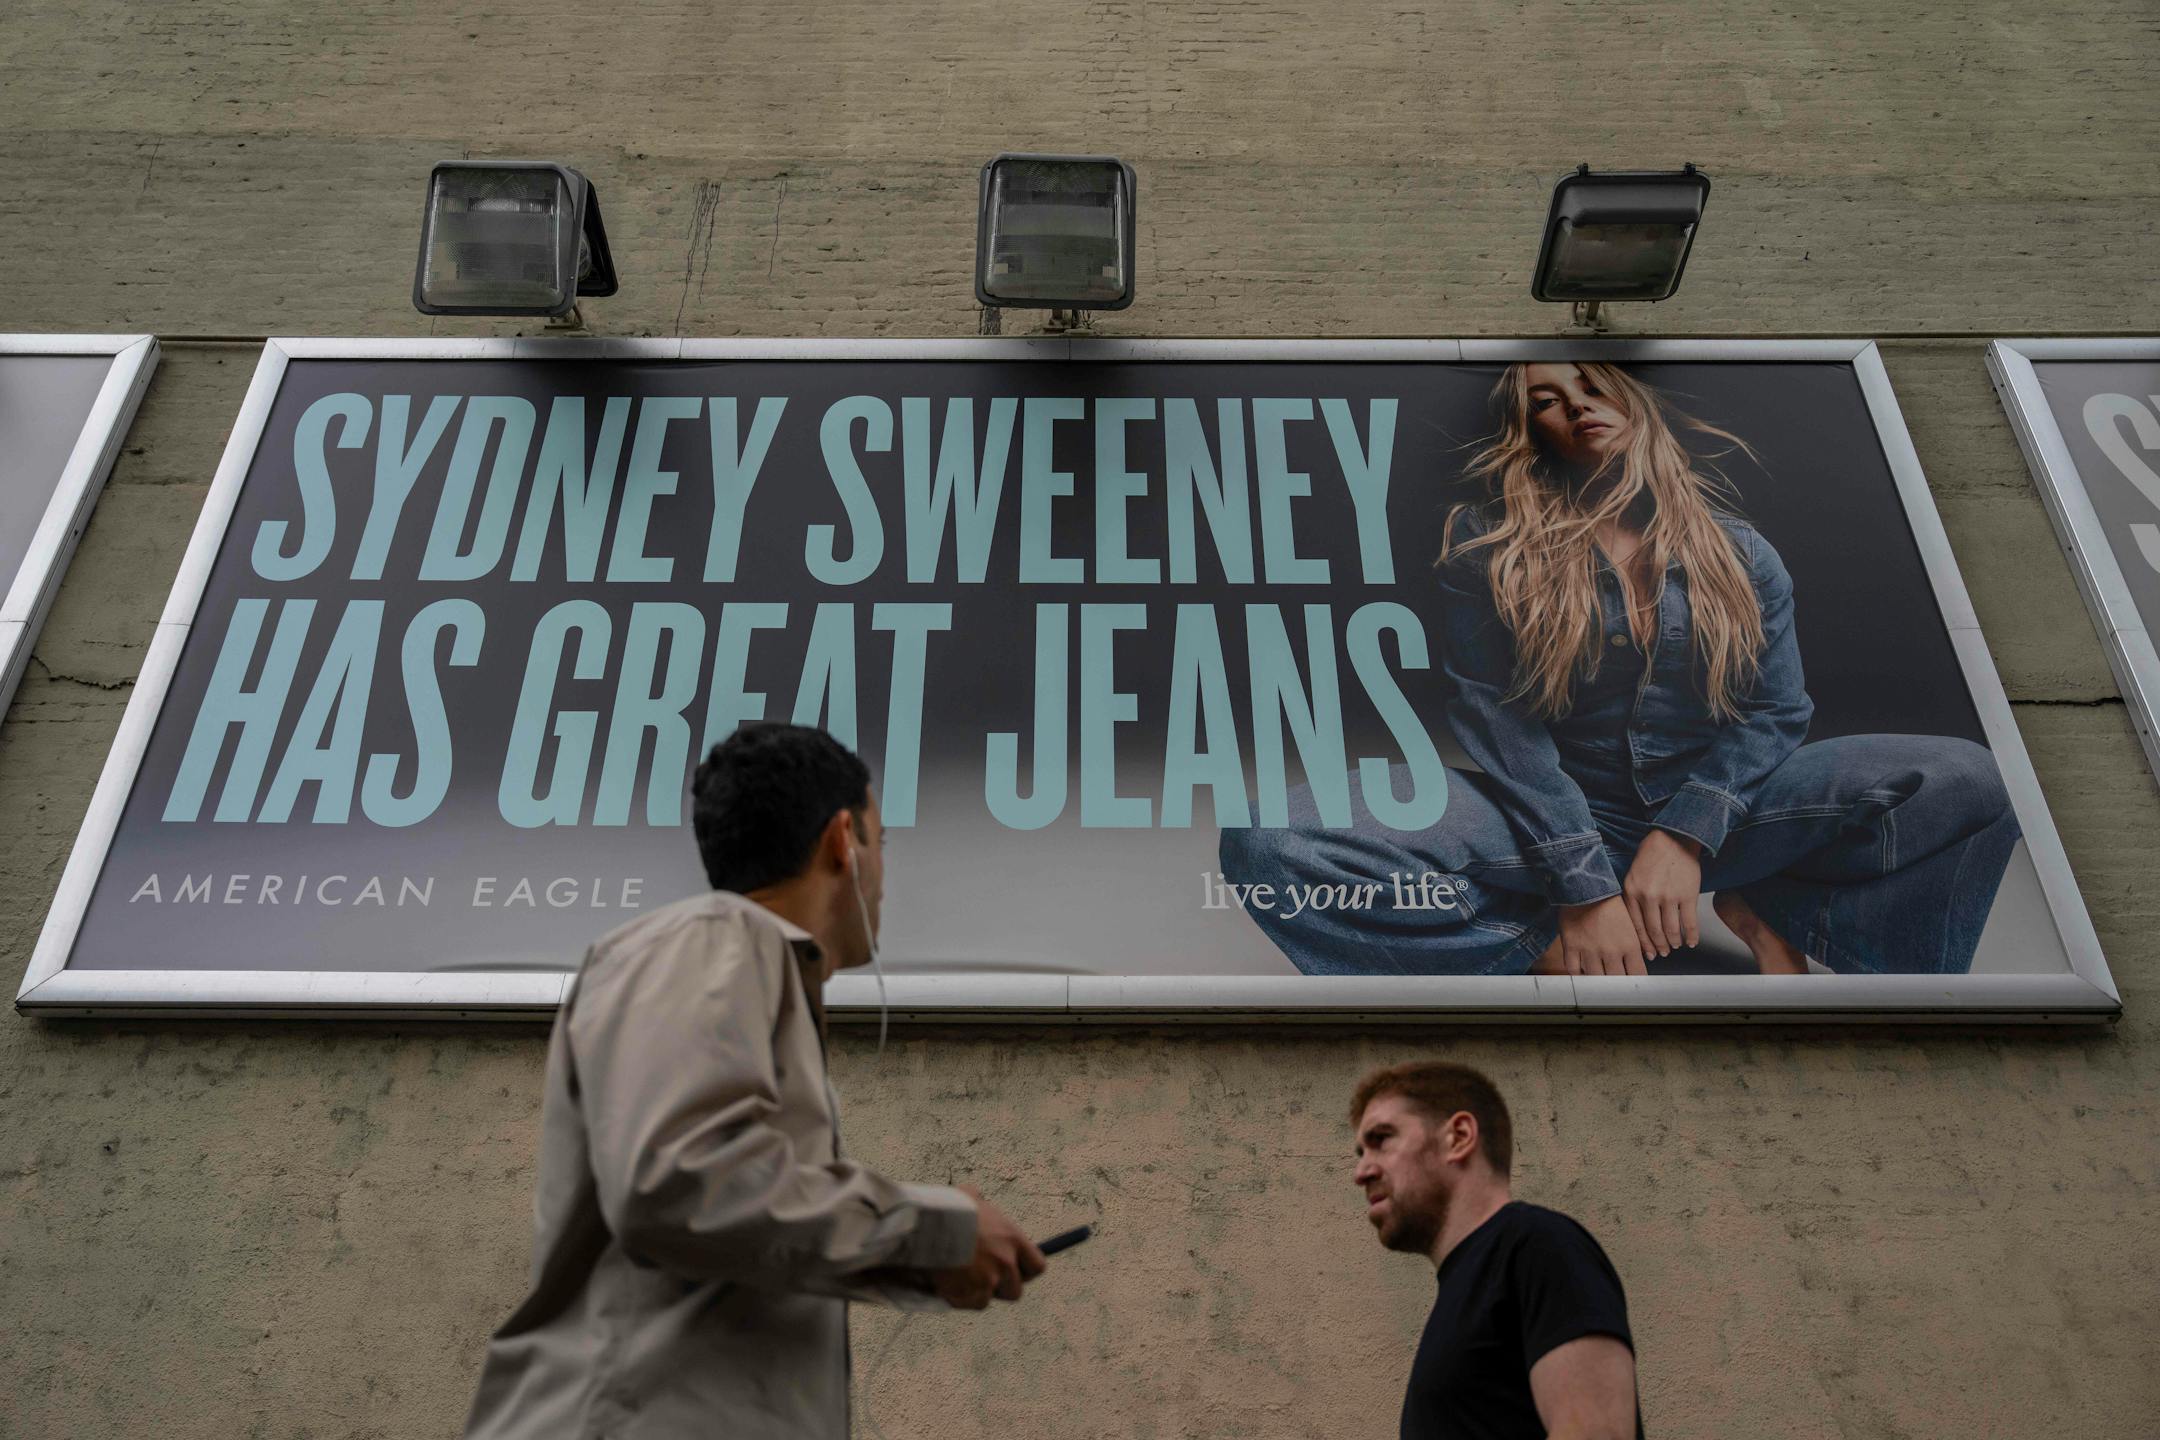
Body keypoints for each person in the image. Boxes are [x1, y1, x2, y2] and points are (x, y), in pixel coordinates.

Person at [1222, 361, 2021, 977]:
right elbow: (1498, 722)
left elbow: (1776, 713)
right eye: (1546, 400)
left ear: (1634, 409)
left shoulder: (1741, 553)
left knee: (1971, 780)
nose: (1575, 403)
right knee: (1272, 841)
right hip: (1550, 814)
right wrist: (1582, 889)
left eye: (1594, 384)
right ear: (1532, 433)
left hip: (1723, 813)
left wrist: (1685, 834)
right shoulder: (1485, 549)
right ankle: (1542, 952)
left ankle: (1781, 911)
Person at [462, 721, 1046, 1440]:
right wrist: (938, 1229)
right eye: (881, 843)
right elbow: (679, 1180)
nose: (884, 874)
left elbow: (721, 1228)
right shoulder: (714, 939)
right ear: (843, 840)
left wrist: (930, 1261)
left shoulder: (734, 960)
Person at [1351, 1060, 1641, 1440]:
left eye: (1381, 1139)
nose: (1361, 1172)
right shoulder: (1461, 1292)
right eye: (1360, 1153)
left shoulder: (1538, 1246)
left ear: (1458, 1136)